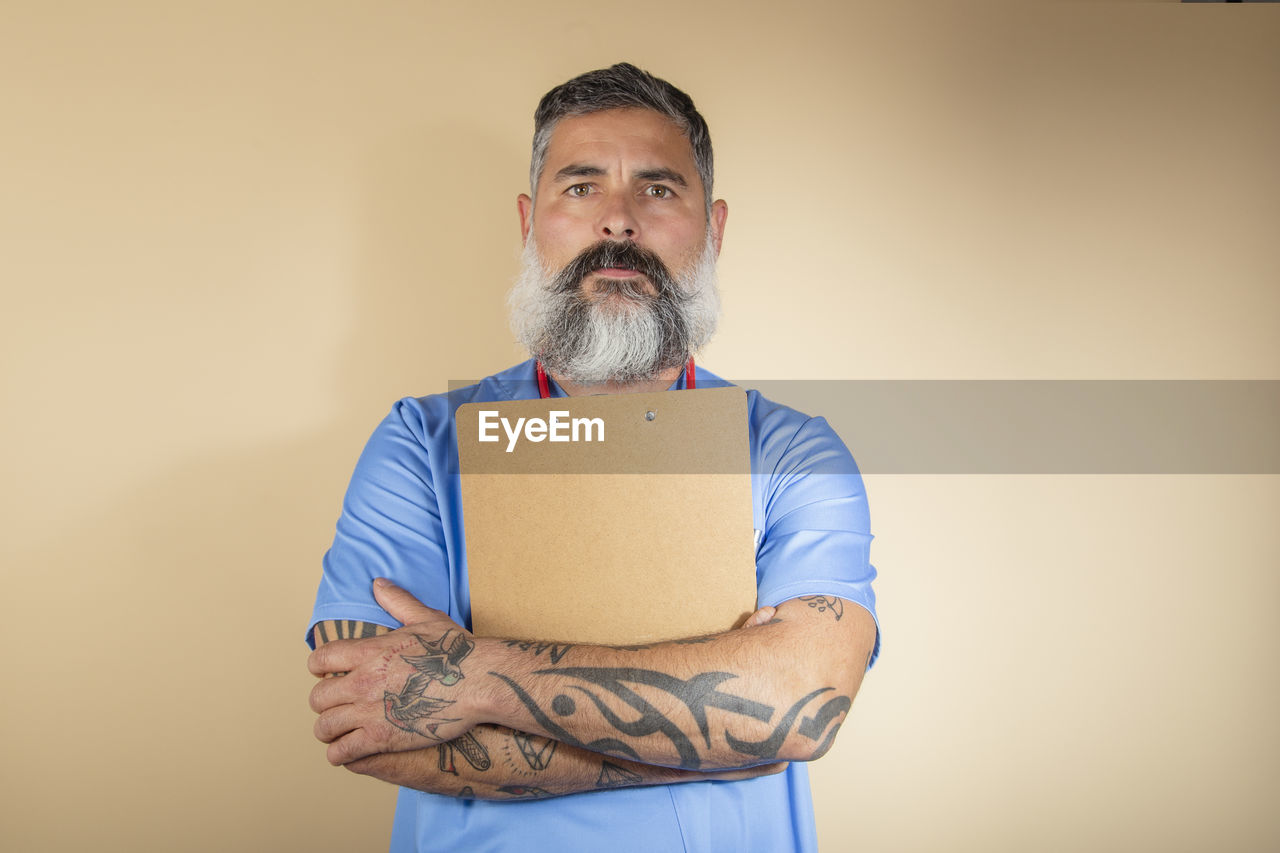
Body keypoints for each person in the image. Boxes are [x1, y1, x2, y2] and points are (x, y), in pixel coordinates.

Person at [307, 62, 880, 853]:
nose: (618, 221)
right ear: (528, 222)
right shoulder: (419, 444)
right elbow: (370, 723)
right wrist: (727, 736)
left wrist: (475, 673)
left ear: (713, 231)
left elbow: (802, 702)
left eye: (658, 189)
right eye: (580, 187)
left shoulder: (790, 452)